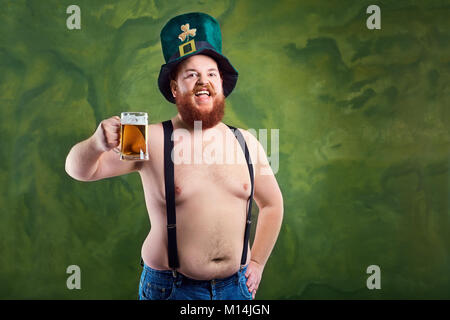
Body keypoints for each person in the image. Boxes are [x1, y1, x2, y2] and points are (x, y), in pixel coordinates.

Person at [65, 12, 283, 300]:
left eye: (211, 74)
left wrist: (257, 262)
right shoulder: (148, 137)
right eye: (191, 75)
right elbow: (80, 170)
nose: (203, 82)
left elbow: (272, 204)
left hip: (236, 290)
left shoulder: (247, 142)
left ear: (221, 85)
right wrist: (96, 144)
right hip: (171, 290)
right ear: (174, 87)